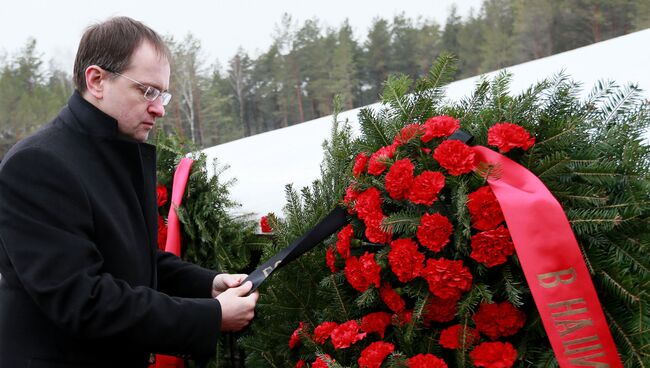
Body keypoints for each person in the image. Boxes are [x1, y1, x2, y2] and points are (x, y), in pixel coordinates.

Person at [0, 16, 259, 367]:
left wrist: (208, 285)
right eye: (147, 90)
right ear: (97, 80)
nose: (160, 108)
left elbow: (134, 260)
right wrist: (210, 316)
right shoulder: (37, 164)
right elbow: (84, 300)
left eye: (162, 93)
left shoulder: (113, 151)